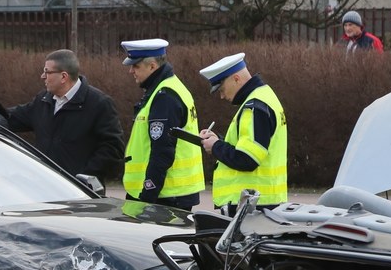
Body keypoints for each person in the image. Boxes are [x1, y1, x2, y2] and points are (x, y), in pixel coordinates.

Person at [6, 49, 124, 183]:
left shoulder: (99, 103)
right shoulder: (43, 100)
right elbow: (13, 118)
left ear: (63, 76)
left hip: (81, 193)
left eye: (47, 72)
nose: (42, 76)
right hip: (44, 187)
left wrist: (84, 176)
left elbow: (113, 148)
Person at [120, 38, 205, 211]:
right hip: (168, 193)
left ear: (152, 66)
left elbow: (162, 152)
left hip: (164, 196)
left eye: (135, 66)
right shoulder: (165, 89)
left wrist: (147, 197)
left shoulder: (165, 96)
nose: (131, 71)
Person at [198, 52, 287, 213]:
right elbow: (253, 148)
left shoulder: (253, 107)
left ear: (236, 79)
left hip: (250, 204)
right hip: (261, 202)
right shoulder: (264, 97)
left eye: (222, 89)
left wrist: (216, 146)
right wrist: (219, 141)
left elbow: (247, 159)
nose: (222, 96)